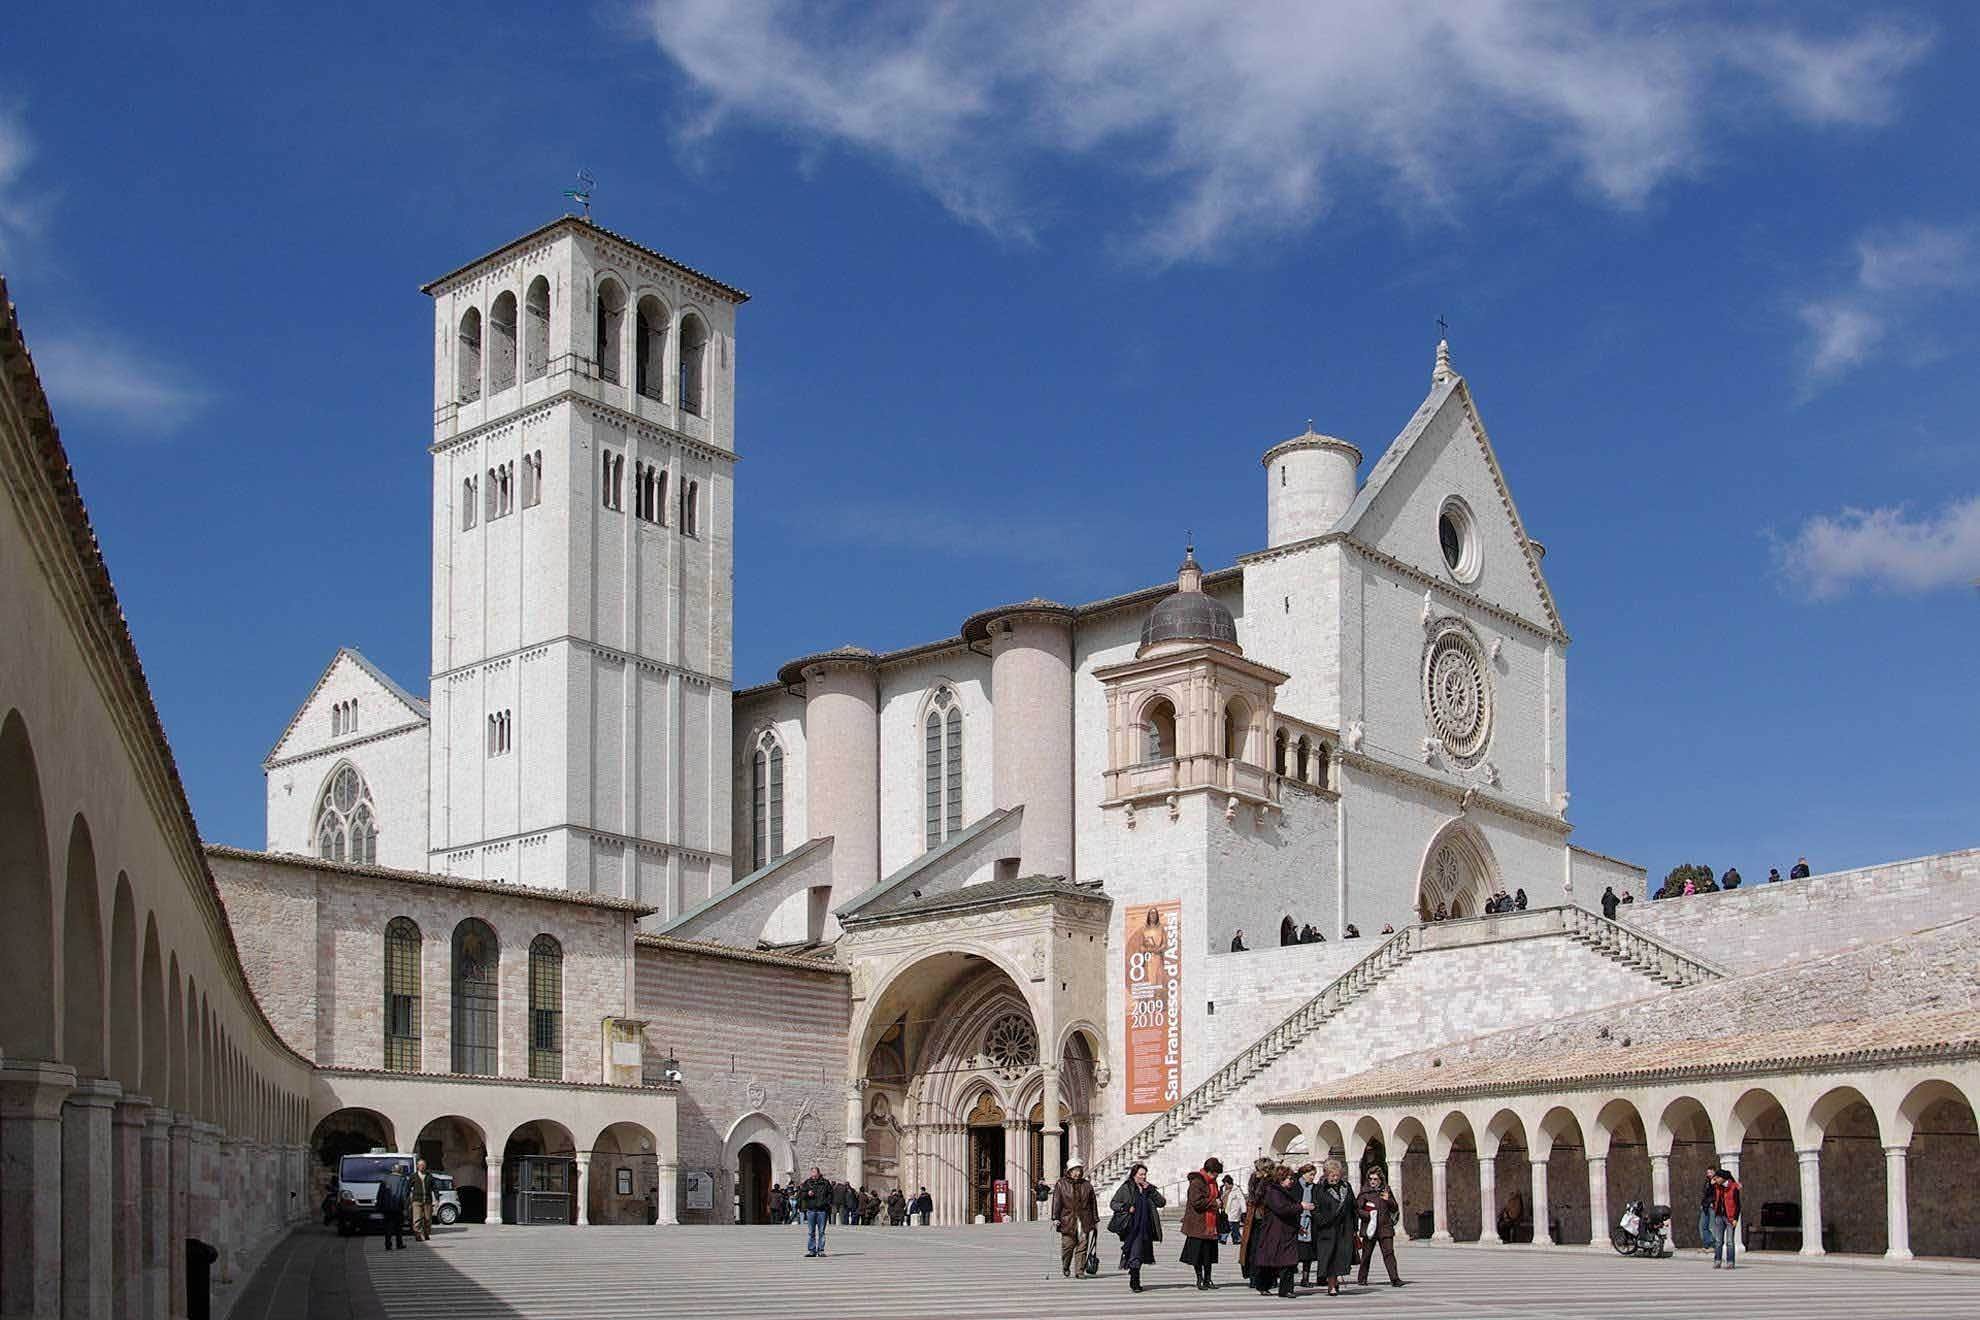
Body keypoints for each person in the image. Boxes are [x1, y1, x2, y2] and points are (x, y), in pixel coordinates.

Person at [1110, 1162, 1166, 1293]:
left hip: (1146, 1226)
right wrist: (1126, 1208)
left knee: (1141, 1254)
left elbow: (1162, 1202)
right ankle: (1135, 1281)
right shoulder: (1126, 1188)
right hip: (1132, 1226)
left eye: (1145, 1174)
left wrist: (1151, 1190)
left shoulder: (1148, 1188)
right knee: (1135, 1252)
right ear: (1134, 1175)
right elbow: (1113, 1203)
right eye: (1141, 1174)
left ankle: (1133, 1272)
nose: (1143, 1177)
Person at [1249, 1164, 1301, 1297]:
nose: (1291, 1181)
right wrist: (1300, 1206)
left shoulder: (1284, 1191)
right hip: (1275, 1231)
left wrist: (1298, 1226)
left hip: (1286, 1231)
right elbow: (1281, 1208)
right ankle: (1263, 1285)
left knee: (1288, 1261)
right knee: (1271, 1260)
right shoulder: (1273, 1191)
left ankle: (1286, 1289)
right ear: (1281, 1178)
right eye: (1289, 1178)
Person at [1311, 1160, 1356, 1297]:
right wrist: (1322, 1221)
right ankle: (1331, 1285)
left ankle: (1334, 1282)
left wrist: (1355, 1228)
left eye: (1337, 1175)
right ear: (1325, 1174)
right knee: (1329, 1257)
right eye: (1331, 1175)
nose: (1334, 1178)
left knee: (1340, 1257)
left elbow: (1353, 1207)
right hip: (1327, 1229)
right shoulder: (1319, 1189)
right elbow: (1315, 1208)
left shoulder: (1346, 1187)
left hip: (1344, 1229)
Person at [1355, 1167, 1403, 1288]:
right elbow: (1357, 1210)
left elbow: (1395, 1208)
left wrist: (1389, 1200)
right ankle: (1362, 1278)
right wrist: (1368, 1215)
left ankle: (1395, 1278)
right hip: (1370, 1228)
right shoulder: (1364, 1192)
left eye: (1375, 1179)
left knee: (1389, 1253)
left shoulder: (1386, 1190)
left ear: (1381, 1180)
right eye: (1370, 1179)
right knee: (1366, 1254)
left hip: (1385, 1228)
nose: (1372, 1181)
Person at [1180, 1156, 1224, 1290]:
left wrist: (1219, 1202)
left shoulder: (1213, 1182)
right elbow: (1196, 1202)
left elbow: (1216, 1197)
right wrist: (1214, 1203)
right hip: (1198, 1223)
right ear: (1210, 1171)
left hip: (1211, 1224)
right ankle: (1199, 1278)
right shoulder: (1197, 1182)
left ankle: (1208, 1279)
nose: (1217, 1176)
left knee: (1209, 1254)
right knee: (1198, 1254)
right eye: (1216, 1173)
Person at [1051, 1160, 1099, 1278]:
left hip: (1084, 1219)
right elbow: (1057, 1201)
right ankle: (1066, 1265)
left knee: (1083, 1245)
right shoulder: (1061, 1184)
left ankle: (1079, 1271)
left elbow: (1093, 1203)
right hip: (1068, 1219)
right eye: (1074, 1170)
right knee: (1068, 1246)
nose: (1077, 1173)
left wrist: (1095, 1219)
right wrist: (1055, 1218)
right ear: (1069, 1171)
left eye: (1079, 1170)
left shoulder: (1087, 1185)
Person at [797, 1166, 832, 1257]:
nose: (813, 1176)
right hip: (811, 1210)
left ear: (819, 1174)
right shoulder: (807, 1183)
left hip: (822, 1211)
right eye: (812, 1174)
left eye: (815, 1174)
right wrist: (807, 1193)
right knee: (811, 1232)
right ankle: (812, 1250)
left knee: (821, 1232)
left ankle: (820, 1250)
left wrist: (826, 1203)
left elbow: (830, 1195)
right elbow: (801, 1194)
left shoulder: (825, 1183)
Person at [1294, 1162, 1320, 1287]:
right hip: (1296, 1221)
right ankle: (1289, 1277)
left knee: (1308, 1252)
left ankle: (1305, 1278)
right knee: (1294, 1250)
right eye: (1311, 1174)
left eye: (1314, 1175)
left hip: (1310, 1222)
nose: (1312, 1177)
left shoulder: (1315, 1188)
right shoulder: (1295, 1186)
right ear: (1304, 1174)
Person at [1711, 1168, 1742, 1270]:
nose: (1716, 1179)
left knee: (1729, 1241)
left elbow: (1738, 1205)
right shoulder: (1716, 1187)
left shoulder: (1733, 1187)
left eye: (1718, 1178)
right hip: (1719, 1216)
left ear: (1723, 1178)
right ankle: (1717, 1261)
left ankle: (1730, 1262)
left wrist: (1735, 1219)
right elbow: (1708, 1195)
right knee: (1718, 1240)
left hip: (1730, 1217)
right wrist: (1710, 1185)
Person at [377, 1161, 409, 1251]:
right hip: (398, 1207)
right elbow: (404, 1195)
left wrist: (379, 1206)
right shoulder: (402, 1179)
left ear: (392, 1170)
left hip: (386, 1207)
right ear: (400, 1170)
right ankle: (399, 1244)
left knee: (388, 1226)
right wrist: (405, 1208)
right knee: (398, 1227)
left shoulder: (385, 1179)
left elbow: (380, 1194)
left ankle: (388, 1244)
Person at [408, 1157, 434, 1242]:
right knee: (417, 1219)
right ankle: (418, 1235)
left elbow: (435, 1187)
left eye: (423, 1165)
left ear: (425, 1166)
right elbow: (408, 1187)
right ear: (417, 1166)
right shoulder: (413, 1176)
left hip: (427, 1200)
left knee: (428, 1219)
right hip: (417, 1200)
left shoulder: (429, 1176)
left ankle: (426, 1234)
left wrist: (437, 1198)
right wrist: (407, 1197)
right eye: (420, 1165)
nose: (422, 1167)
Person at [1697, 1172, 1718, 1256]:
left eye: (1710, 1172)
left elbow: (1716, 1194)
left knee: (1712, 1226)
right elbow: (1705, 1193)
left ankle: (1713, 1245)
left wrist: (1714, 1203)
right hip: (1705, 1206)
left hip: (1712, 1206)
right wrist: (1702, 1204)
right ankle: (1706, 1245)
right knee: (1703, 1226)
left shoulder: (1718, 1182)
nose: (1709, 1174)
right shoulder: (1707, 1182)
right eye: (1708, 1172)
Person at [1219, 1174, 1242, 1245]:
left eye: (1226, 1183)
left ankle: (1237, 1239)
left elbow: (1240, 1199)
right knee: (1224, 1226)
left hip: (1233, 1210)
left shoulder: (1235, 1189)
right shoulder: (1222, 1188)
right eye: (1224, 1183)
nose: (1225, 1185)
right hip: (1224, 1210)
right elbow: (1220, 1198)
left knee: (1234, 1226)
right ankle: (1223, 1239)